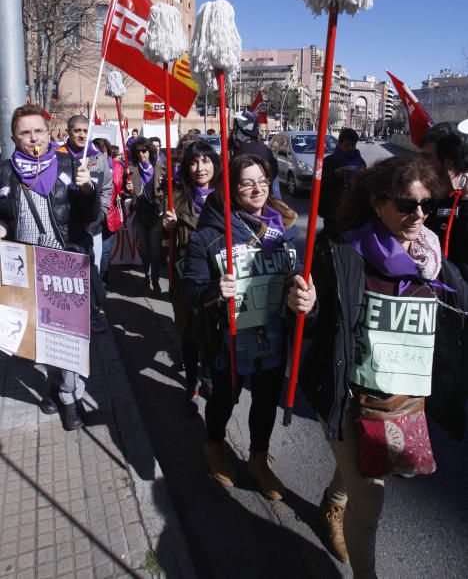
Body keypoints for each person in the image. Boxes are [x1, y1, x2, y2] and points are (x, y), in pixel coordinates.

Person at [299, 156, 468, 578]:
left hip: (399, 400)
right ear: (377, 204)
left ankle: (333, 503)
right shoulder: (341, 251)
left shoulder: (434, 261)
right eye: (406, 205)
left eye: (427, 204)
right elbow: (314, 323)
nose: (419, 215)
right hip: (345, 394)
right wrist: (305, 305)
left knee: (361, 469)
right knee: (371, 495)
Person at [183, 154, 316, 499]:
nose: (257, 189)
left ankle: (258, 458)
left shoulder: (283, 227)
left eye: (263, 181)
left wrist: (303, 290)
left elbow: (295, 272)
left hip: (271, 333)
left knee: (266, 400)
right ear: (230, 187)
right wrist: (215, 290)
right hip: (227, 338)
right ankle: (214, 445)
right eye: (246, 183)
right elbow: (192, 290)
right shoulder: (209, 236)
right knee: (225, 398)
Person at [0, 104, 100, 430]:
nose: (33, 138)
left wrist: (87, 189)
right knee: (42, 339)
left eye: (38, 131)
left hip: (65, 263)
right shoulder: (5, 171)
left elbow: (88, 217)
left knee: (68, 338)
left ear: (48, 131)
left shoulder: (70, 163)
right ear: (15, 137)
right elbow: (4, 215)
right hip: (27, 268)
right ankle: (56, 386)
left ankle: (70, 396)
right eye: (25, 133)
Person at [163, 141, 221, 413]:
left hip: (218, 276)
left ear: (215, 164)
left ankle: (208, 375)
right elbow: (166, 242)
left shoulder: (226, 197)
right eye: (194, 162)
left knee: (214, 332)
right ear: (186, 167)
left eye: (206, 161)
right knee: (189, 333)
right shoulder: (175, 198)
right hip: (186, 275)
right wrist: (168, 229)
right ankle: (191, 385)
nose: (200, 168)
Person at [57, 116, 112, 332]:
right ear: (68, 132)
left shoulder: (98, 158)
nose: (81, 135)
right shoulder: (57, 156)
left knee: (90, 271)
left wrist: (100, 214)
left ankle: (91, 315)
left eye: (84, 130)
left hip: (92, 226)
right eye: (76, 130)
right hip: (65, 227)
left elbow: (107, 189)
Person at [420, 124, 468, 279]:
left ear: (449, 161)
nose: (421, 164)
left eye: (427, 157)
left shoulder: (464, 200)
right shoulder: (422, 198)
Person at [125, 137, 165, 295]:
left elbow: (168, 188)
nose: (142, 154)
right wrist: (127, 188)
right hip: (139, 212)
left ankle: (154, 278)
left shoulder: (160, 166)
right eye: (138, 151)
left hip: (155, 213)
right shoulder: (132, 169)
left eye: (144, 151)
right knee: (144, 248)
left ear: (150, 151)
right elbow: (123, 190)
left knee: (155, 249)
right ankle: (146, 274)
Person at [318, 127, 366, 236]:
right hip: (332, 213)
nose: (350, 148)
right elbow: (319, 184)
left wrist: (363, 175)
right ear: (340, 144)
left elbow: (366, 186)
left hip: (353, 212)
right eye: (347, 145)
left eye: (353, 145)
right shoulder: (329, 161)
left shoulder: (360, 162)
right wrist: (334, 174)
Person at [93, 139, 125, 288]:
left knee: (105, 251)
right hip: (90, 217)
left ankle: (102, 280)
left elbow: (121, 188)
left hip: (110, 215)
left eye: (102, 151)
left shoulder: (118, 167)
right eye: (96, 151)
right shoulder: (86, 165)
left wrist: (125, 190)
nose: (100, 154)